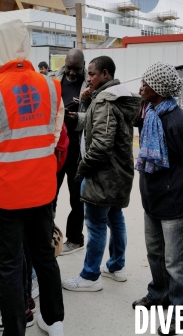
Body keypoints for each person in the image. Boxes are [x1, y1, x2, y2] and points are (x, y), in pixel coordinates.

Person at [0, 19, 65, 336]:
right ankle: (53, 319)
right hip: (42, 190)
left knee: (9, 266)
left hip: (2, 195)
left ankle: (14, 330)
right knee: (44, 257)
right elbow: (52, 136)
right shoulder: (51, 86)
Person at [132, 62, 183, 335]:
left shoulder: (176, 120)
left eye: (146, 83)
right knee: (155, 254)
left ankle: (180, 313)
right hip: (152, 200)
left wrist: (172, 167)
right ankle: (158, 295)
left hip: (175, 202)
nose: (141, 87)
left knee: (178, 263)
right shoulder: (149, 111)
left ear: (160, 89)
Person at [62, 56, 140, 292]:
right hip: (118, 172)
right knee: (115, 219)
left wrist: (82, 169)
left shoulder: (106, 100)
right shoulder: (117, 95)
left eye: (92, 73)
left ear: (105, 74)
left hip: (102, 174)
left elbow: (102, 144)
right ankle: (116, 267)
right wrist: (81, 114)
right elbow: (105, 124)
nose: (88, 78)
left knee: (95, 225)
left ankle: (90, 276)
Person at [50, 49, 88, 254]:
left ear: (83, 65)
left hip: (76, 151)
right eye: (69, 68)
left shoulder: (90, 84)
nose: (72, 73)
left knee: (77, 198)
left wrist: (78, 118)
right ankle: (48, 235)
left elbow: (94, 116)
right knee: (49, 195)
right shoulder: (52, 78)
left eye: (77, 69)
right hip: (55, 149)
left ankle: (75, 238)